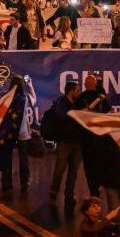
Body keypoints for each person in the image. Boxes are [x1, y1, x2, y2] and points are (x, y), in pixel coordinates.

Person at [49, 81, 83, 210]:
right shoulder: (61, 103)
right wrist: (75, 113)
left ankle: (69, 194)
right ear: (71, 91)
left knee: (74, 171)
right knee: (60, 168)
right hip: (64, 142)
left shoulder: (79, 103)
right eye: (77, 90)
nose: (79, 93)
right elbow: (61, 116)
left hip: (77, 142)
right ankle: (54, 190)